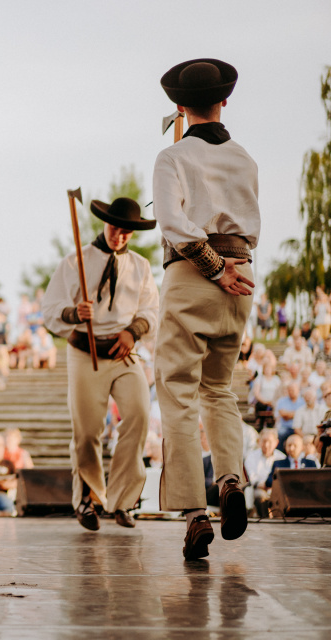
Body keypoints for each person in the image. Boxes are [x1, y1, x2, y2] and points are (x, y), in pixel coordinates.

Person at [151, 59, 260, 560]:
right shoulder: (245, 158)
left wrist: (213, 267)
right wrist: (232, 269)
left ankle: (196, 513)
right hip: (243, 275)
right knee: (219, 388)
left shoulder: (172, 157)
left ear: (178, 105)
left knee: (177, 392)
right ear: (225, 100)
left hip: (196, 273)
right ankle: (232, 481)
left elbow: (172, 223)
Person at [43, 197, 159, 530]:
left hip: (123, 353)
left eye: (126, 232)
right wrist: (73, 312)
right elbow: (51, 308)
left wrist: (133, 331)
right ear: (104, 224)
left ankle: (123, 500)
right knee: (87, 431)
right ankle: (89, 499)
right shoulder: (76, 260)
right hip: (85, 352)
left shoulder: (140, 266)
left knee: (138, 414)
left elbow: (151, 309)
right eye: (115, 228)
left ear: (133, 234)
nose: (119, 236)